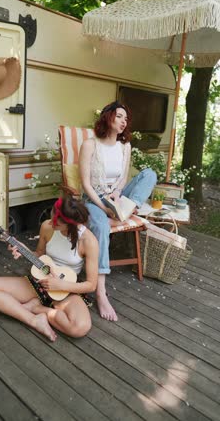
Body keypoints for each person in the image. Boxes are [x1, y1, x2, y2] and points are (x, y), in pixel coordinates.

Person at [0, 195, 99, 342]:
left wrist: (61, 285)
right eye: (52, 217)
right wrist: (22, 250)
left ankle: (37, 308)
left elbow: (91, 285)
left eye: (58, 224)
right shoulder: (47, 226)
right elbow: (40, 254)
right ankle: (34, 320)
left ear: (70, 224)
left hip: (67, 288)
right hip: (40, 280)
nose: (52, 224)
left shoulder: (88, 241)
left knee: (80, 328)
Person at [79, 101, 157, 321]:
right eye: (120, 116)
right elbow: (85, 183)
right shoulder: (90, 145)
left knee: (150, 174)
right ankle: (100, 292)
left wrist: (118, 195)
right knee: (101, 225)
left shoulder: (125, 146)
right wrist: (104, 206)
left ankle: (122, 212)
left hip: (117, 197)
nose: (124, 121)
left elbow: (123, 177)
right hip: (94, 199)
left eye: (126, 118)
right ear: (108, 117)